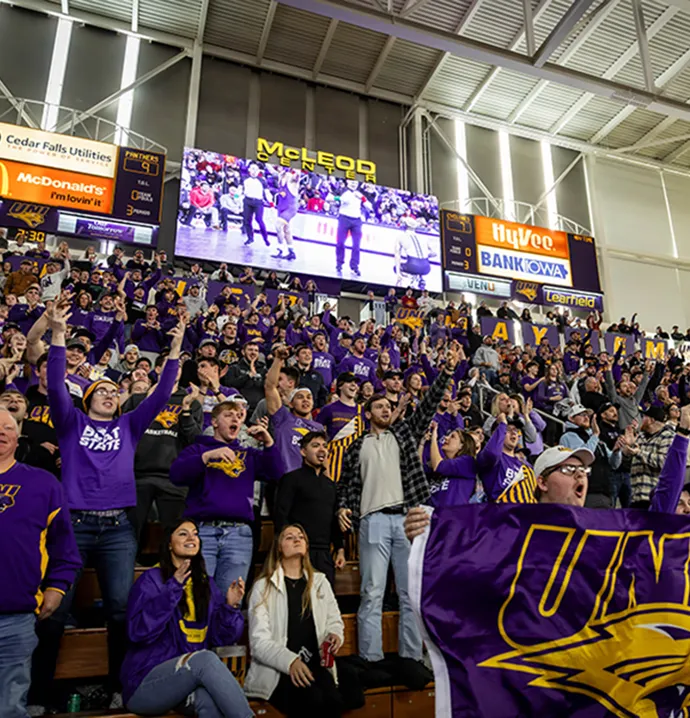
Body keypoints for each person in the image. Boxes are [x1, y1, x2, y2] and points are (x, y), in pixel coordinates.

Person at [42, 303, 184, 703]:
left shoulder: (129, 425)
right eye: (99, 391)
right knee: (55, 612)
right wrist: (57, 335)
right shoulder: (71, 424)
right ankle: (41, 692)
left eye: (112, 391)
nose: (107, 394)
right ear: (86, 399)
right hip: (73, 525)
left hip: (118, 528)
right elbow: (55, 387)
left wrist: (173, 351)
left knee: (121, 611)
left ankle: (121, 687)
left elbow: (161, 393)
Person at [336, 341, 460, 671]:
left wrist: (447, 371)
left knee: (409, 594)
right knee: (372, 592)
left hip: (407, 519)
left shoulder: (404, 434)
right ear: (368, 413)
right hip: (372, 520)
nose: (386, 411)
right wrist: (343, 507)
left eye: (389, 408)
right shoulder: (355, 446)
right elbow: (348, 485)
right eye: (380, 408)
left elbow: (428, 407)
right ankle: (370, 658)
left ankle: (410, 658)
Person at [120, 519, 252, 718]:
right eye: (183, 533)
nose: (192, 538)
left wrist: (230, 607)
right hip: (145, 683)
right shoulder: (151, 581)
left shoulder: (205, 584)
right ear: (169, 544)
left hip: (187, 681)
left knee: (212, 705)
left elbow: (222, 639)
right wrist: (173, 588)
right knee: (205, 659)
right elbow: (137, 633)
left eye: (195, 533)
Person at [0, 408, 81, 718]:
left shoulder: (43, 483)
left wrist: (58, 587)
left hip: (16, 616)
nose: (2, 432)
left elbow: (64, 544)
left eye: (8, 427)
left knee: (9, 706)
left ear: (19, 436)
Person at [170, 401, 280, 596]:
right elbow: (177, 476)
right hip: (203, 532)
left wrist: (269, 443)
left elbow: (277, 473)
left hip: (239, 535)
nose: (235, 419)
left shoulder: (248, 455)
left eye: (239, 416)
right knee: (199, 597)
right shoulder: (198, 449)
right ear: (214, 422)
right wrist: (207, 457)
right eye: (229, 415)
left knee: (231, 600)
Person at [245, 525, 345, 718]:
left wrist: (334, 635)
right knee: (312, 701)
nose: (297, 539)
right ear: (279, 547)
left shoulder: (320, 581)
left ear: (307, 546)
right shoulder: (263, 587)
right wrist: (290, 662)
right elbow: (259, 643)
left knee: (335, 701)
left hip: (316, 665)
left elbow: (335, 620)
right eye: (289, 537)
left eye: (301, 537)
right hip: (279, 670)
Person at [274, 432, 345, 586]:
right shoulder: (291, 479)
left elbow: (333, 519)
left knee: (324, 602)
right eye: (315, 445)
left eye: (324, 446)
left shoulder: (331, 485)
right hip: (298, 551)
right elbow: (281, 515)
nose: (322, 450)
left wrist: (339, 548)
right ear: (303, 451)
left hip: (325, 553)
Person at [266, 347, 324, 474]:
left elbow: (323, 460)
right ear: (291, 404)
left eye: (309, 397)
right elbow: (270, 387)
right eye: (300, 397)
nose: (305, 400)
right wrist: (278, 359)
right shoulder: (283, 418)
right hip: (285, 479)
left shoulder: (319, 428)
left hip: (309, 482)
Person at [559, 405, 623, 508]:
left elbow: (614, 464)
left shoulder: (596, 439)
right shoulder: (568, 436)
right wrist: (595, 435)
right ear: (571, 418)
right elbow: (585, 455)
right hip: (585, 491)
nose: (586, 418)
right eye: (582, 415)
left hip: (605, 490)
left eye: (587, 415)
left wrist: (617, 451)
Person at [426, 422, 479, 507]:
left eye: (452, 436)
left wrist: (434, 437)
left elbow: (438, 465)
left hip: (452, 517)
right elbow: (419, 470)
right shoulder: (442, 462)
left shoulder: (467, 462)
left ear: (462, 445)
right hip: (432, 515)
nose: (446, 438)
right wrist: (422, 443)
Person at [336, 180, 370, 277]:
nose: (353, 183)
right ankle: (339, 263)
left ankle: (354, 266)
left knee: (356, 245)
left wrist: (362, 198)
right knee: (340, 242)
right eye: (351, 182)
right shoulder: (342, 191)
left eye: (355, 182)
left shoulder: (360, 193)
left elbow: (369, 206)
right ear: (347, 182)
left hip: (356, 220)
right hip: (344, 218)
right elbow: (332, 198)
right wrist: (337, 198)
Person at [243, 163, 270, 247]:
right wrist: (236, 197)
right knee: (247, 220)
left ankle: (265, 237)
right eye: (252, 169)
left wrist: (271, 202)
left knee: (259, 220)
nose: (254, 171)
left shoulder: (262, 180)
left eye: (256, 169)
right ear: (249, 170)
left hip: (258, 202)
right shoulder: (244, 179)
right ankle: (250, 237)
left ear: (258, 171)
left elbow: (267, 192)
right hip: (247, 201)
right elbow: (239, 190)